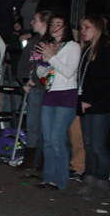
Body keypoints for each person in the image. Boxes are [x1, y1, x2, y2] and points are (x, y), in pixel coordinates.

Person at [35, 14, 80, 190]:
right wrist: (45, 62)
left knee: (56, 139)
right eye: (52, 24)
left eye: (58, 24)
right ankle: (48, 178)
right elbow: (41, 75)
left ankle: (60, 180)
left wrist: (52, 57)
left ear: (66, 27)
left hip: (66, 95)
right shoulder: (51, 46)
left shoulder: (73, 47)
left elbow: (68, 72)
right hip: (50, 94)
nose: (54, 27)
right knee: (47, 139)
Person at [76, 16, 110, 199]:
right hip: (86, 102)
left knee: (98, 145)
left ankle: (102, 178)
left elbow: (104, 80)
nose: (83, 31)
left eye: (86, 27)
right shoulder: (88, 49)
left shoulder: (104, 49)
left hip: (100, 105)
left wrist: (90, 98)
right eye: (81, 27)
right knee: (88, 144)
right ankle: (89, 178)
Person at [16, 10, 53, 169]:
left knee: (46, 126)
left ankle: (43, 159)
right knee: (32, 125)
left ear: (44, 22)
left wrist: (36, 81)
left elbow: (52, 68)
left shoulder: (52, 44)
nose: (32, 23)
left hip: (47, 90)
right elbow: (22, 66)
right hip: (34, 89)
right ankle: (30, 159)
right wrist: (25, 83)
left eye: (35, 20)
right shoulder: (32, 43)